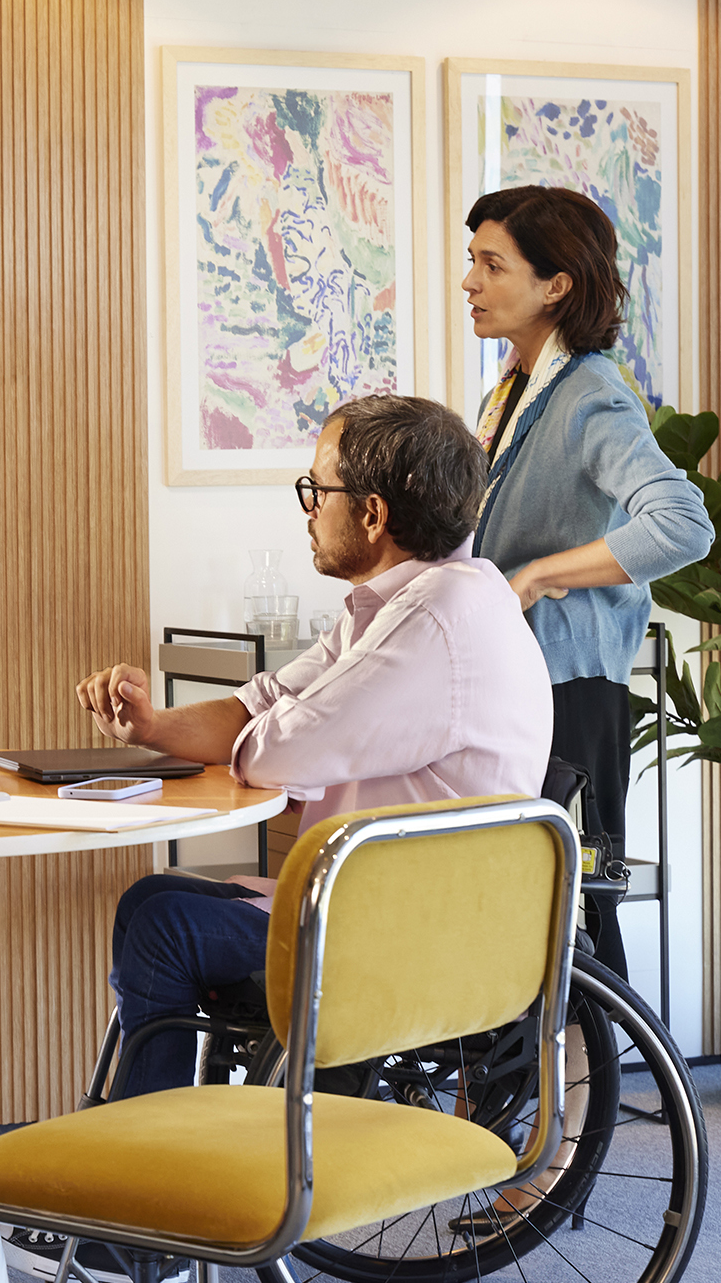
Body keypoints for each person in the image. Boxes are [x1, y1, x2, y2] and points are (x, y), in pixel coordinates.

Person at [83, 395, 553, 1107]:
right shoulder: (404, 605)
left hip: (399, 932)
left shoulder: (435, 619)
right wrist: (151, 725)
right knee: (153, 898)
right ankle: (159, 1131)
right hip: (376, 901)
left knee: (163, 926)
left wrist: (267, 730)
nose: (307, 509)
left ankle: (150, 1141)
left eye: (317, 489)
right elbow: (263, 704)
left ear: (372, 514)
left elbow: (280, 751)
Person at [463, 185, 711, 978]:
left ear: (556, 285)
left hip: (571, 691)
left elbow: (683, 523)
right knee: (520, 911)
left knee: (582, 914)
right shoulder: (512, 392)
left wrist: (540, 575)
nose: (470, 281)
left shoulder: (591, 393)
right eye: (472, 261)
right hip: (519, 683)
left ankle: (592, 1067)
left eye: (492, 265)